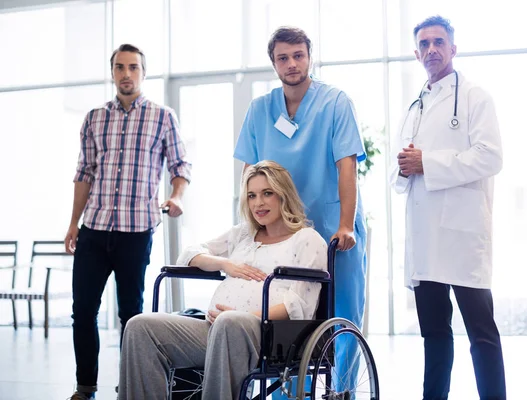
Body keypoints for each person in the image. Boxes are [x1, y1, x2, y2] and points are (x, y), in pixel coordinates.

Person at [117, 160, 328, 399]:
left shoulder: (307, 240)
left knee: (230, 323)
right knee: (139, 326)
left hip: (269, 337)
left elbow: (299, 305)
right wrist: (225, 264)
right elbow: (189, 253)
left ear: (283, 195)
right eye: (251, 195)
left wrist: (245, 316)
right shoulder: (243, 234)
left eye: (267, 193)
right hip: (216, 328)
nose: (258, 203)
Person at [233, 26, 367, 393]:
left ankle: (344, 391)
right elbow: (249, 172)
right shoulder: (261, 109)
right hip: (281, 231)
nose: (291, 64)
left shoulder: (336, 102)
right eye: (283, 57)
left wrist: (346, 224)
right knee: (285, 312)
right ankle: (289, 391)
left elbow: (346, 165)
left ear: (309, 56)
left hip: (333, 228)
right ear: (273, 62)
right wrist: (248, 225)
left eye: (298, 55)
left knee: (340, 315)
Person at [64, 44, 192, 400]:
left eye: (133, 67)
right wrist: (74, 223)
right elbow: (84, 173)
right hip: (95, 229)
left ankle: (129, 384)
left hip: (136, 231)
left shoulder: (162, 117)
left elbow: (181, 166)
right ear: (112, 73)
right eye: (120, 67)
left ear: (143, 73)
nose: (126, 74)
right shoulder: (93, 118)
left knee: (131, 315)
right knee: (82, 311)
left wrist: (177, 197)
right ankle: (85, 386)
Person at [389, 16, 506, 400]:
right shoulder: (415, 106)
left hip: (462, 237)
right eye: (424, 44)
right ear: (416, 52)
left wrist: (428, 163)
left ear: (453, 48)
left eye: (439, 42)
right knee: (434, 336)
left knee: (481, 335)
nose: (431, 50)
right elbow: (401, 172)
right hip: (425, 242)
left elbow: (490, 158)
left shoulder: (475, 97)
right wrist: (408, 168)